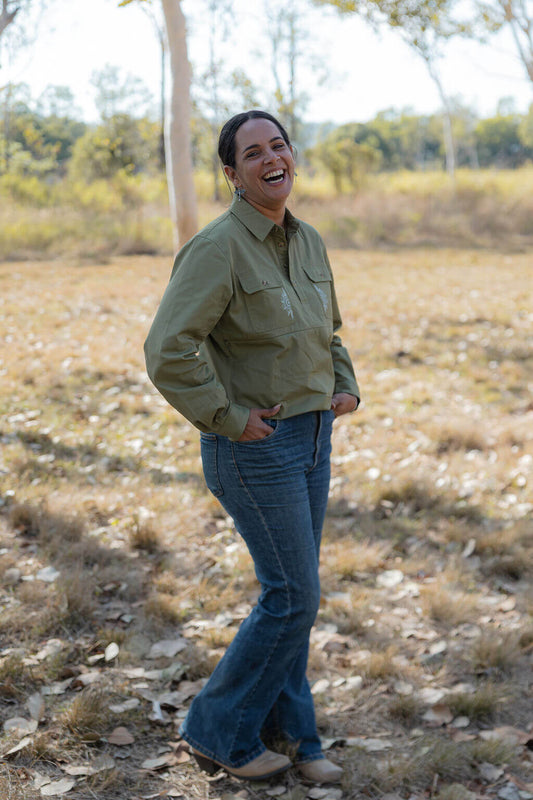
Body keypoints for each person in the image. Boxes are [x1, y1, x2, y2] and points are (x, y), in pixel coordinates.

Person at [144, 110, 360, 784]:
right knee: (293, 595)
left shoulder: (308, 241)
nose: (272, 158)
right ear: (232, 174)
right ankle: (217, 729)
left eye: (279, 145)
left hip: (312, 436)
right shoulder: (217, 248)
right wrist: (227, 415)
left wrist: (344, 382)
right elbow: (167, 349)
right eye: (253, 152)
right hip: (254, 446)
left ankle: (296, 735)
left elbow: (327, 331)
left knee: (294, 592)